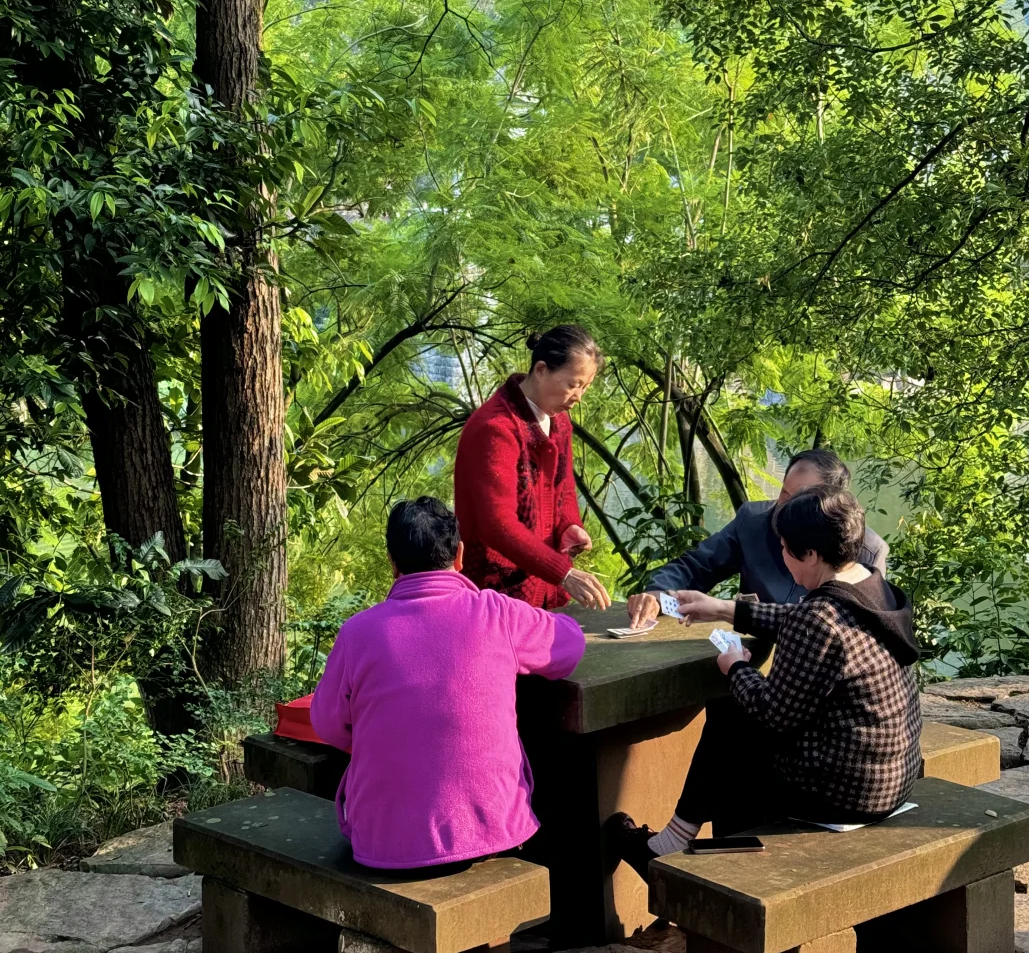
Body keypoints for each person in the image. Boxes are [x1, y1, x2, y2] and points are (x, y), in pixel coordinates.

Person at [610, 487, 921, 876]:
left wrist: (736, 667)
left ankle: (673, 849)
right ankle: (679, 840)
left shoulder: (820, 619)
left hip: (844, 794)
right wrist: (724, 610)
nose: (783, 560)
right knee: (738, 718)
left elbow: (773, 714)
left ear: (810, 554)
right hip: (893, 778)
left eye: (787, 550)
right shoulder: (875, 588)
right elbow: (805, 619)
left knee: (733, 716)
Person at [310, 496, 586, 870]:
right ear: (459, 555)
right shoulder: (497, 614)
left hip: (382, 843)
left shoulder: (357, 632)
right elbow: (569, 645)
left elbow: (328, 724)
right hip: (492, 829)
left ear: (392, 562)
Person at [627, 448, 888, 628]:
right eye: (784, 494)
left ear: (832, 506)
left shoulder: (867, 551)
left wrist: (725, 610)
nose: (785, 510)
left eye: (800, 501)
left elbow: (848, 629)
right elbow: (697, 566)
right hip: (750, 651)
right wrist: (659, 594)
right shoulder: (755, 520)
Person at [454, 325, 611, 611]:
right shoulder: (495, 429)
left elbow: (563, 488)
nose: (579, 396)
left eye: (585, 387)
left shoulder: (559, 421)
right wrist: (563, 573)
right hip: (495, 594)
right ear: (541, 370)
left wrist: (569, 525)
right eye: (573, 384)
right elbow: (496, 525)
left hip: (544, 586)